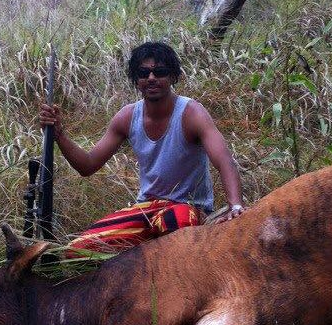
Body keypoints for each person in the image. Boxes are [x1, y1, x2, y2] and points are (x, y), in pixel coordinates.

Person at [39, 41, 245, 258]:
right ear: (136, 80)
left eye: (160, 72)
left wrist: (236, 206)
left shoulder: (192, 113)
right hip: (146, 210)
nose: (152, 78)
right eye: (144, 73)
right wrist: (58, 134)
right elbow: (88, 165)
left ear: (173, 77)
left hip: (187, 209)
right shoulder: (127, 117)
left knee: (175, 225)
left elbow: (224, 162)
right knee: (77, 251)